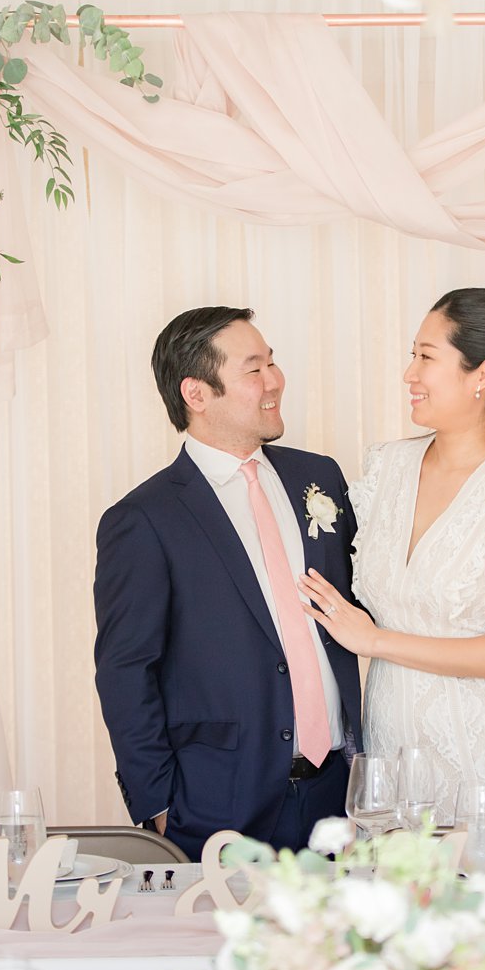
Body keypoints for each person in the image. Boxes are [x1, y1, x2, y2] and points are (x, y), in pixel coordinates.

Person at [298, 288, 485, 833]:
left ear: (484, 373)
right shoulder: (386, 467)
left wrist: (374, 641)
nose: (410, 374)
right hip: (388, 759)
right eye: (412, 354)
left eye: (426, 357)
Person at [93, 306, 362, 861]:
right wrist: (160, 805)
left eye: (273, 363)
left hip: (340, 797)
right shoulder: (143, 520)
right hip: (217, 806)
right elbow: (125, 671)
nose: (275, 381)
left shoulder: (320, 477)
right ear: (197, 393)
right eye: (254, 369)